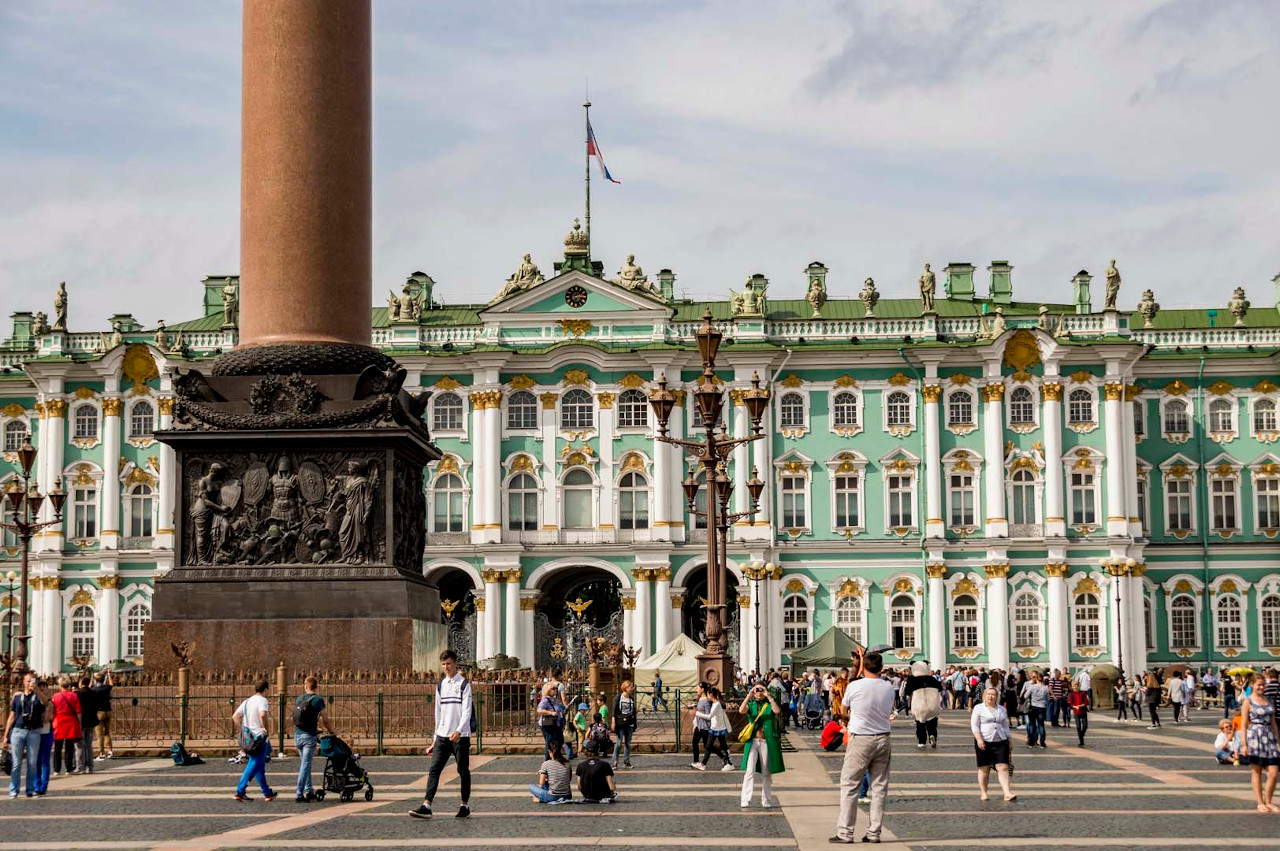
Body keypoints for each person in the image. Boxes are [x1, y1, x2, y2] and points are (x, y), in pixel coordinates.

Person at [833, 649, 894, 844]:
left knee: (850, 785)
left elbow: (843, 710)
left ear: (863, 667)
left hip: (861, 739)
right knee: (879, 788)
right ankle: (874, 833)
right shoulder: (888, 687)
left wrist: (852, 715)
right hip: (883, 739)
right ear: (881, 668)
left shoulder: (854, 686)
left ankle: (845, 832)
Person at [410, 649, 473, 820]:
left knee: (462, 770)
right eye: (443, 664)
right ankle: (426, 805)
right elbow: (438, 713)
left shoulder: (464, 684)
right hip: (443, 736)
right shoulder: (440, 685)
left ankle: (464, 805)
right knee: (434, 770)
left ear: (455, 664)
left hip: (461, 736)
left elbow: (467, 711)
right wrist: (434, 738)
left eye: (449, 664)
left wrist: (459, 730)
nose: (446, 667)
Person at [4, 672, 49, 798]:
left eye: (32, 681)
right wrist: (6, 735)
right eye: (28, 681)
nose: (30, 683)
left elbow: (46, 702)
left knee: (32, 763)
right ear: (24, 682)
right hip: (18, 731)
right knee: (16, 762)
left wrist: (37, 691)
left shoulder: (38, 699)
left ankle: (30, 790)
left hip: (33, 732)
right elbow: (12, 716)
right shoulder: (18, 698)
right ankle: (13, 789)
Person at [738, 681, 783, 809]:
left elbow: (777, 710)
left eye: (761, 690)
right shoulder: (751, 705)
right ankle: (745, 798)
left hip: (766, 741)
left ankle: (766, 799)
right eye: (756, 690)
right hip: (753, 741)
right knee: (749, 770)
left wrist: (768, 695)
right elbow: (741, 710)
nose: (758, 692)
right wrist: (749, 695)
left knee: (766, 772)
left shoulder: (769, 705)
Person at [1240, 673, 1280, 813]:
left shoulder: (1269, 700)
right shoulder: (1248, 701)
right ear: (1252, 685)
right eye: (1259, 685)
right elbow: (1244, 724)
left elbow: (1273, 721)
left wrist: (1278, 739)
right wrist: (1244, 744)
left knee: (1273, 772)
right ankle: (1260, 802)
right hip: (1255, 736)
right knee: (1256, 771)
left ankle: (1269, 801)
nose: (1261, 687)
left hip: (1269, 736)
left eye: (1263, 684)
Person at [292, 675, 335, 803]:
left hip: (297, 735)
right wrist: (331, 731)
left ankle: (309, 790)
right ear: (316, 686)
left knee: (306, 764)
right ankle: (299, 793)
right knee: (305, 765)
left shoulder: (299, 699)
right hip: (309, 737)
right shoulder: (318, 700)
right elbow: (325, 718)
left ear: (305, 686)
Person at [232, 679, 276, 802]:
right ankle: (240, 791)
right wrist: (265, 729)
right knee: (254, 764)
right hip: (259, 738)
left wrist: (242, 729)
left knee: (259, 765)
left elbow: (235, 716)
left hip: (248, 738)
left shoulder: (247, 701)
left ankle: (267, 793)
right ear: (266, 689)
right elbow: (262, 715)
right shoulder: (263, 700)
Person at [971, 686, 1016, 802]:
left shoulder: (1001, 709)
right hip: (984, 741)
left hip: (1001, 741)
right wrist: (979, 739)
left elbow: (1005, 725)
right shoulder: (978, 708)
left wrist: (1009, 739)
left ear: (997, 697)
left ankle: (1007, 793)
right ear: (984, 696)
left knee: (1003, 767)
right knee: (984, 768)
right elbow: (974, 726)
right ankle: (984, 792)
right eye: (989, 694)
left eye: (993, 694)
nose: (991, 696)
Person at [904, 660, 941, 749]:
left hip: (919, 705)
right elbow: (940, 688)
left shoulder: (912, 679)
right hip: (932, 704)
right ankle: (932, 735)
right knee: (932, 723)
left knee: (920, 724)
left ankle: (922, 741)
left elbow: (907, 691)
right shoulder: (932, 678)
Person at [51, 676, 83, 776]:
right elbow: (78, 711)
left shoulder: (55, 696)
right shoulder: (73, 696)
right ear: (68, 685)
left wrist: (53, 721)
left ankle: (57, 769)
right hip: (70, 721)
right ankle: (68, 768)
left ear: (60, 685)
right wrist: (79, 723)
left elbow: (52, 711)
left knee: (58, 747)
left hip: (59, 721)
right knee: (69, 747)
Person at [700, 686, 733, 771]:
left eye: (707, 694)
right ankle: (726, 761)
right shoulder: (716, 704)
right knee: (717, 745)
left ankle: (728, 762)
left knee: (712, 746)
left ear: (710, 694)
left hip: (717, 728)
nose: (707, 696)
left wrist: (697, 713)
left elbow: (709, 716)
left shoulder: (717, 704)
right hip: (716, 728)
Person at [529, 739, 572, 804]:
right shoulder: (567, 763)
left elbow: (541, 783)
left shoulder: (546, 764)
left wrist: (543, 775)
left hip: (552, 796)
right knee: (547, 785)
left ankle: (540, 799)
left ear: (549, 751)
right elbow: (569, 779)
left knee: (531, 786)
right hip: (567, 796)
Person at [611, 681, 637, 769]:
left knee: (627, 744)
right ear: (626, 688)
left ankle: (626, 761)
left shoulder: (631, 699)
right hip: (620, 723)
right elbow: (614, 711)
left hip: (629, 723)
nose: (632, 689)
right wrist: (613, 722)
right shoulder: (618, 697)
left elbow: (632, 711)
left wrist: (638, 710)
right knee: (618, 743)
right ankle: (615, 762)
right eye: (631, 687)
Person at [74, 676, 97, 774]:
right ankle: (90, 767)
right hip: (91, 722)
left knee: (79, 745)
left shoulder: (77, 694)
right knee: (89, 745)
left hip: (81, 722)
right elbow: (96, 706)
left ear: (81, 683)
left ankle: (80, 767)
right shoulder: (94, 693)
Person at [1020, 671, 1049, 749]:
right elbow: (1048, 699)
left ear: (1036, 679)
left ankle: (1031, 743)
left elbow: (1025, 696)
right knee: (1041, 725)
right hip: (1042, 708)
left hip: (1033, 707)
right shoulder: (1046, 688)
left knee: (1032, 725)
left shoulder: (1032, 687)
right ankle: (1042, 743)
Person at [91, 670, 114, 761]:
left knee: (99, 734)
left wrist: (91, 678)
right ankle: (110, 751)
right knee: (107, 732)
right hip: (108, 711)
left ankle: (101, 753)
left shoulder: (94, 690)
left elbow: (88, 687)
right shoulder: (106, 688)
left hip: (99, 712)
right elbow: (112, 684)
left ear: (96, 681)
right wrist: (108, 675)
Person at [536, 683, 563, 760]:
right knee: (550, 742)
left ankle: (556, 756)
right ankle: (548, 760)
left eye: (556, 689)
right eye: (553, 688)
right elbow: (539, 710)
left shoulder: (554, 699)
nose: (555, 690)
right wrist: (550, 712)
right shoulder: (545, 699)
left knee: (560, 740)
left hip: (556, 723)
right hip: (549, 724)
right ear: (548, 690)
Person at [690, 682, 712, 770]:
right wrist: (694, 724)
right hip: (698, 726)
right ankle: (696, 761)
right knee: (695, 743)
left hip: (705, 727)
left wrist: (697, 713)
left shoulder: (706, 701)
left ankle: (723, 757)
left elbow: (708, 715)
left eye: (698, 688)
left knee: (708, 746)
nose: (697, 690)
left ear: (702, 689)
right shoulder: (700, 699)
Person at [1068, 681, 1090, 747]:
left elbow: (1086, 702)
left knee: (1085, 726)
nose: (1075, 687)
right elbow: (1071, 704)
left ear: (1079, 686)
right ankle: (1081, 740)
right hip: (1076, 712)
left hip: (1083, 711)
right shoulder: (1071, 694)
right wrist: (1075, 707)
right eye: (1074, 686)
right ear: (1072, 687)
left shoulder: (1083, 693)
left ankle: (1082, 734)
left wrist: (1080, 706)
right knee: (1078, 726)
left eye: (1076, 686)